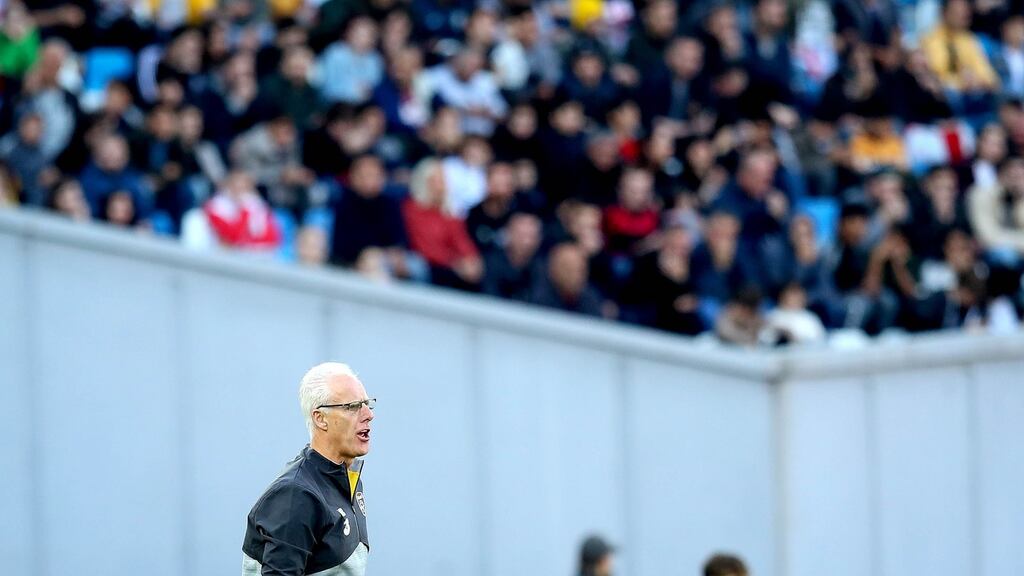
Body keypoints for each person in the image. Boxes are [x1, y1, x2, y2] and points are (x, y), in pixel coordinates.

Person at [242, 362, 374, 576]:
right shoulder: (296, 494)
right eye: (353, 406)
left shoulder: (348, 479)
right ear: (320, 418)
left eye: (368, 404)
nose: (368, 414)